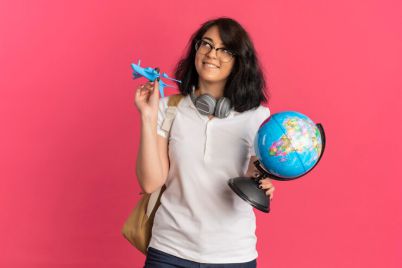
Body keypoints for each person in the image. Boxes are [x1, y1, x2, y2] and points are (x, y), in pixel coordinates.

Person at [134, 17, 276, 268]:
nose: (212, 54)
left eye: (225, 50)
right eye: (206, 44)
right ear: (196, 50)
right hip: (169, 250)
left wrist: (262, 182)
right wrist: (148, 116)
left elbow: (255, 173)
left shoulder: (256, 116)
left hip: (232, 255)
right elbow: (150, 182)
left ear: (239, 61)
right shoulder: (169, 109)